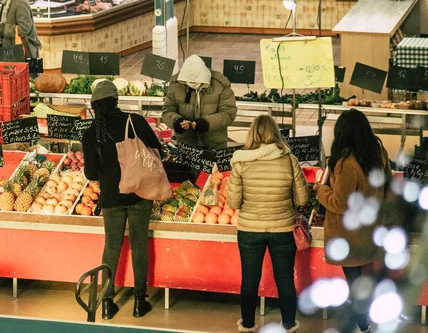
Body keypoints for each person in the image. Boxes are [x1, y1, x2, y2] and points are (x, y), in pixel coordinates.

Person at [82, 80, 160, 320]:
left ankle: (107, 302)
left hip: (111, 196)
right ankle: (139, 301)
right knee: (138, 245)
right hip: (139, 192)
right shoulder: (134, 121)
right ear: (116, 101)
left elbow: (90, 174)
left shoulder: (90, 133)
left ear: (94, 105)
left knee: (111, 247)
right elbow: (157, 150)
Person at [228, 115, 309, 333]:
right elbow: (303, 199)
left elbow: (233, 202)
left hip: (249, 230)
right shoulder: (289, 158)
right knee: (285, 279)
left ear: (252, 133)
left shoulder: (241, 160)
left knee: (249, 279)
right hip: (282, 228)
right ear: (275, 133)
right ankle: (289, 324)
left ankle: (247, 324)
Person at [314, 109, 392, 333]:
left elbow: (341, 204)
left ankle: (363, 324)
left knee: (354, 282)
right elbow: (387, 186)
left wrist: (321, 191)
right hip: (371, 229)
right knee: (364, 281)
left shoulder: (346, 163)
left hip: (349, 235)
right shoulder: (378, 152)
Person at [162, 55, 237, 150]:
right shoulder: (176, 85)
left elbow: (228, 113)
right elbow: (168, 110)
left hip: (214, 144)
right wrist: (176, 121)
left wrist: (207, 123)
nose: (193, 83)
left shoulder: (221, 85)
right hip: (185, 143)